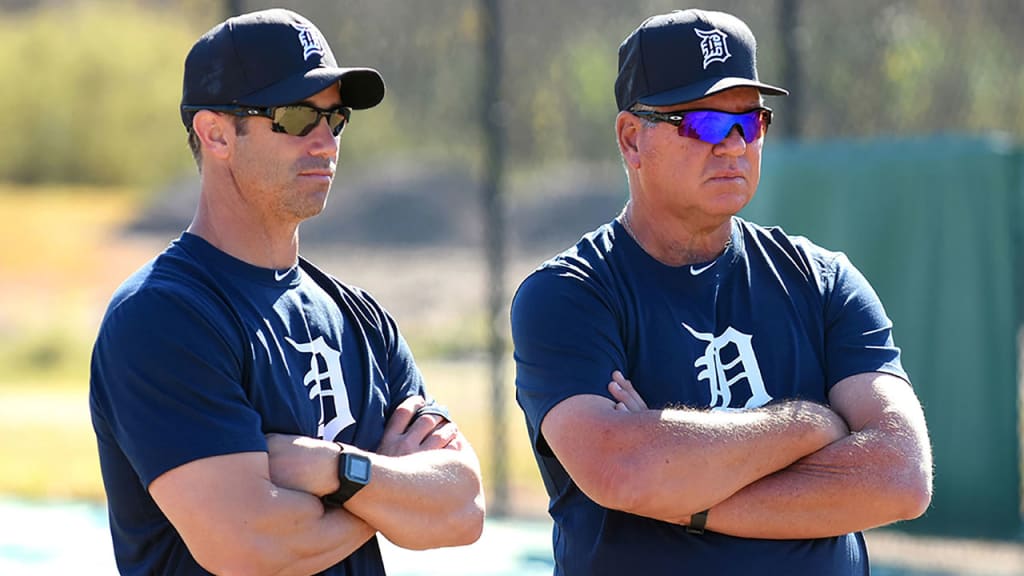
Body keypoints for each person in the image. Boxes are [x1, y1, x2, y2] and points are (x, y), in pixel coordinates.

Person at [511, 8, 932, 575]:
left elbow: (901, 475)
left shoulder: (823, 280)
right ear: (632, 139)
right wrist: (809, 425)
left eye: (750, 122)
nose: (733, 145)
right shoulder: (569, 295)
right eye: (705, 123)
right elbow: (624, 470)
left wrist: (689, 503)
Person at [89, 8, 484, 576]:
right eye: (296, 117)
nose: (325, 142)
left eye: (336, 118)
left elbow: (462, 507)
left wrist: (334, 469)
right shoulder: (161, 316)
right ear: (216, 133)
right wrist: (388, 495)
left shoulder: (361, 318)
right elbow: (253, 547)